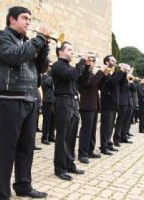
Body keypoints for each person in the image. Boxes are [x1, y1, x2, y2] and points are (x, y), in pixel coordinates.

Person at [0, 6, 50, 199]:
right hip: (10, 100)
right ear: (12, 20)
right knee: (6, 151)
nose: (28, 22)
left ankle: (23, 186)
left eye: (30, 19)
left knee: (26, 148)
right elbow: (16, 57)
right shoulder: (1, 37)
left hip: (30, 100)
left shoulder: (29, 43)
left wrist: (45, 46)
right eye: (24, 18)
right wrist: (39, 39)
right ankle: (2, 194)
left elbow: (41, 67)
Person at [51, 41, 91, 181]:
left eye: (73, 50)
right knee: (62, 137)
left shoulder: (71, 67)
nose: (72, 52)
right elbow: (72, 76)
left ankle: (69, 164)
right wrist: (81, 62)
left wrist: (86, 67)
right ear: (61, 52)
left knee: (72, 136)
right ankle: (60, 168)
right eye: (69, 49)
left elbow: (83, 82)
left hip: (73, 102)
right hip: (63, 102)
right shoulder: (58, 66)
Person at [78, 59, 104, 164]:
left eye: (94, 61)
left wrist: (105, 76)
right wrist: (100, 72)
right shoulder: (83, 74)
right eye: (91, 61)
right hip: (86, 105)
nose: (93, 63)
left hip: (93, 105)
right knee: (86, 131)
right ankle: (82, 154)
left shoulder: (91, 74)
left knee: (92, 131)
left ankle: (90, 150)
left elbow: (99, 86)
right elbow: (90, 83)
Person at [99, 55, 123, 153]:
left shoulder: (113, 73)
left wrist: (125, 73)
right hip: (107, 103)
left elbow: (119, 83)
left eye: (115, 61)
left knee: (110, 125)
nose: (115, 62)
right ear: (107, 62)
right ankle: (104, 147)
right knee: (106, 126)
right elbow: (112, 82)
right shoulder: (105, 71)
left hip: (113, 103)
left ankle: (109, 143)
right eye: (112, 60)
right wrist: (121, 71)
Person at [41, 63, 56, 145]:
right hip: (47, 100)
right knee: (47, 120)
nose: (51, 67)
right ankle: (44, 137)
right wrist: (52, 75)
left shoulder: (53, 77)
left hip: (54, 101)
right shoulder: (44, 76)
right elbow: (46, 83)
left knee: (53, 120)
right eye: (50, 66)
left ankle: (51, 136)